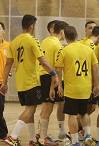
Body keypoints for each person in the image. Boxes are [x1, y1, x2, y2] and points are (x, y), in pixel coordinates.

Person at [0, 14, 58, 146]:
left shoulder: (13, 42)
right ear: (32, 26)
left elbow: (8, 64)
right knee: (30, 110)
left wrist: (4, 83)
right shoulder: (32, 40)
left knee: (29, 110)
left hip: (20, 83)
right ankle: (13, 136)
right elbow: (42, 61)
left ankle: (33, 140)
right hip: (31, 81)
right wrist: (54, 74)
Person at [52, 26, 99, 146]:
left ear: (66, 38)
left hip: (71, 89)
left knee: (72, 115)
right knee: (84, 113)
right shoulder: (88, 50)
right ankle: (88, 134)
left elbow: (58, 70)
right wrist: (96, 85)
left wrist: (59, 87)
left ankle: (75, 141)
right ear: (77, 34)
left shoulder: (65, 50)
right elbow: (96, 68)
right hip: (85, 88)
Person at [37, 20, 69, 145]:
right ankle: (42, 137)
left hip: (45, 76)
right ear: (62, 32)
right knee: (48, 107)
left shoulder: (44, 41)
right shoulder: (58, 46)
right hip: (50, 76)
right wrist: (55, 84)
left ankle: (55, 133)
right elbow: (56, 67)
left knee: (59, 103)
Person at [0, 22, 10, 142]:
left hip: (2, 82)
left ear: (4, 31)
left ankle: (3, 133)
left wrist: (7, 79)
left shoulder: (8, 46)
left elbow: (10, 64)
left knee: (0, 108)